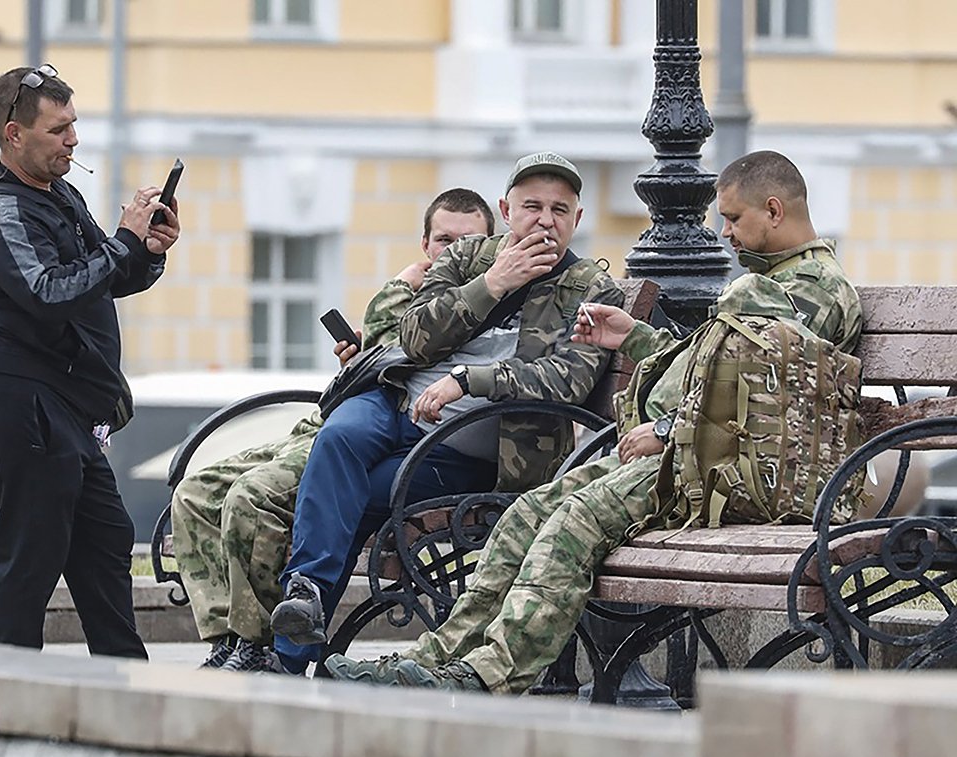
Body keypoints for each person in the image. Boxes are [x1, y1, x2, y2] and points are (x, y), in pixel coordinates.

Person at [326, 150, 863, 694]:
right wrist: (634, 336)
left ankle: (486, 676)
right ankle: (432, 660)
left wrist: (666, 431)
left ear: (774, 210)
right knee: (527, 512)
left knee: (574, 521)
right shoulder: (771, 283)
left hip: (720, 468)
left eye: (733, 218)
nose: (724, 233)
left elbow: (758, 396)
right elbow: (709, 366)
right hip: (687, 455)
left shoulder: (814, 290)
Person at [270, 152, 625, 669]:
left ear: (578, 218)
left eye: (559, 210)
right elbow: (414, 337)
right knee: (338, 438)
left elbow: (566, 382)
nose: (545, 221)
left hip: (466, 445)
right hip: (396, 401)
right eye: (532, 207)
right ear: (507, 210)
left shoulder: (591, 289)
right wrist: (493, 284)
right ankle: (304, 602)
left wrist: (470, 380)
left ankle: (291, 650)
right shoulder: (467, 258)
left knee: (358, 493)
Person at [172, 188, 498, 674]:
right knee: (195, 493)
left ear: (491, 244)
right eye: (443, 240)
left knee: (251, 497)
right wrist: (364, 357)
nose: (454, 252)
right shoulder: (422, 296)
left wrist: (400, 291)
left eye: (468, 241)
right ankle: (227, 640)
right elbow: (389, 346)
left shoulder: (479, 299)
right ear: (425, 244)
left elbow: (404, 346)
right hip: (336, 420)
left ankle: (257, 644)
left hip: (396, 437)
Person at [0, 64, 179, 658]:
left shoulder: (61, 195)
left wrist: (146, 250)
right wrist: (123, 242)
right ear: (13, 134)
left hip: (68, 404)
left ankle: (124, 682)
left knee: (106, 541)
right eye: (58, 130)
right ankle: (8, 689)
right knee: (32, 559)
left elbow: (103, 278)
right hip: (21, 396)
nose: (73, 140)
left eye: (74, 125)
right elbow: (49, 293)